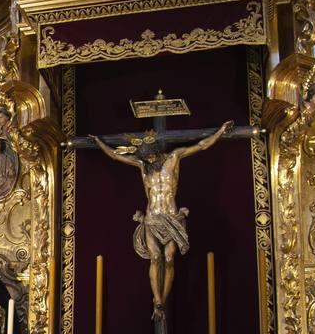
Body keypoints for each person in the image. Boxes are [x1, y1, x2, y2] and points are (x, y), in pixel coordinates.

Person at [93, 120, 234, 319]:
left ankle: (162, 300)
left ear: (157, 150)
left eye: (150, 155)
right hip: (151, 218)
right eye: (146, 157)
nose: (149, 159)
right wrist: (99, 143)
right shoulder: (143, 167)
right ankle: (157, 300)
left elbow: (201, 146)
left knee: (168, 259)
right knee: (155, 258)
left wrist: (220, 132)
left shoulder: (174, 159)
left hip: (171, 217)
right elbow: (116, 156)